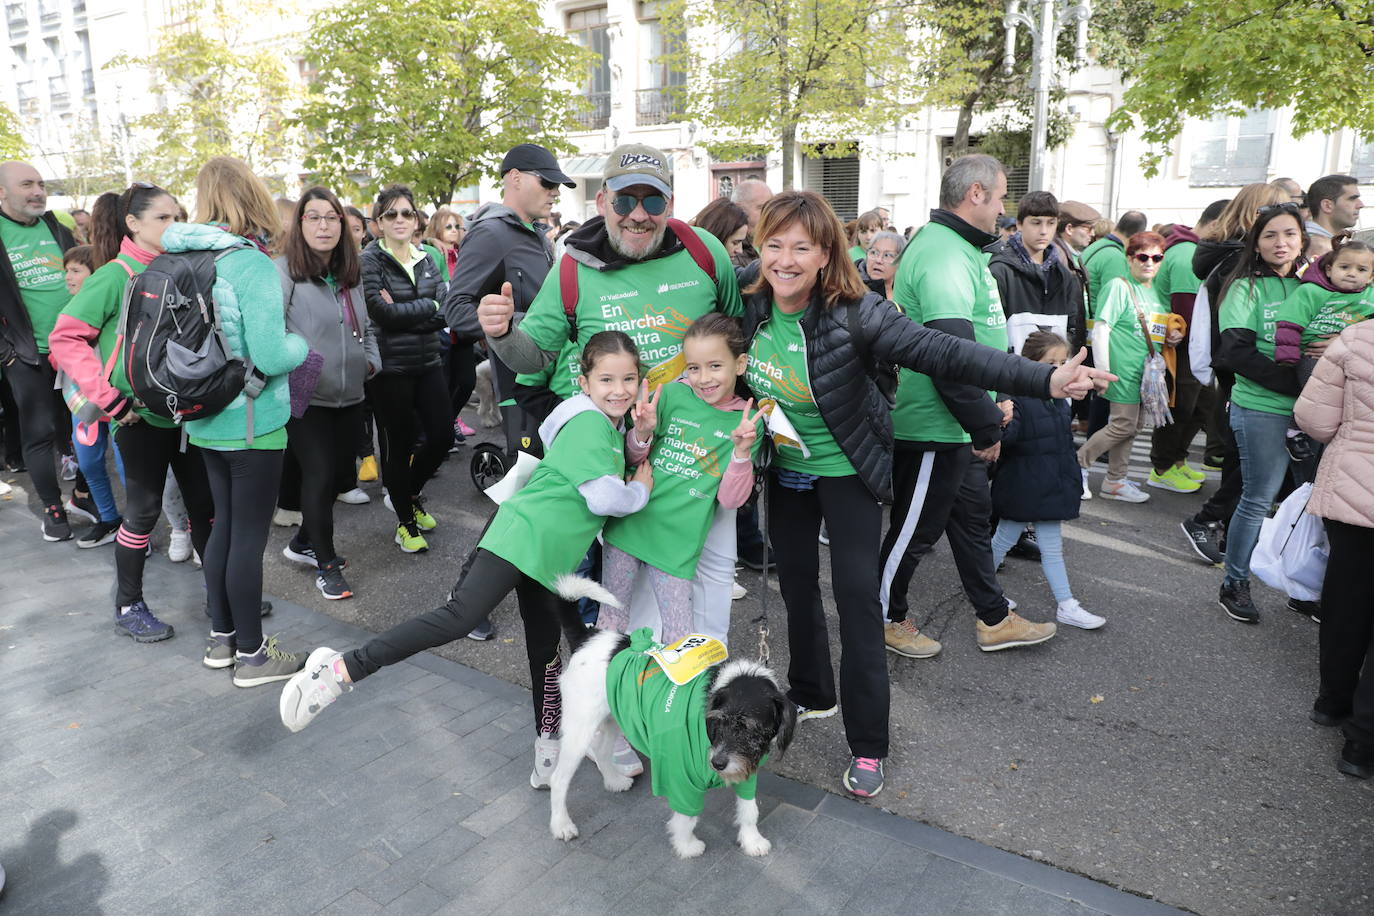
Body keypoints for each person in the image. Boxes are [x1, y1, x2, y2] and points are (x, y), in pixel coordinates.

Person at [739, 188, 1113, 797]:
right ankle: (811, 694)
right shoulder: (751, 302)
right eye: (774, 245)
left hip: (847, 473)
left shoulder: (859, 312)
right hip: (785, 471)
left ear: (826, 252)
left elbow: (947, 351)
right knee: (797, 591)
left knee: (858, 602)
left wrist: (1044, 378)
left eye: (801, 248)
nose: (785, 259)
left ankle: (869, 745)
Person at [279, 331, 654, 791]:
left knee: (544, 653)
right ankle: (342, 668)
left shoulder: (600, 425)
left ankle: (548, 752)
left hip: (546, 556)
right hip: (522, 539)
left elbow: (610, 463)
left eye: (629, 379)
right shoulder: (592, 425)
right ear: (584, 382)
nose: (619, 389)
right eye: (607, 379)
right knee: (461, 617)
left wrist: (639, 436)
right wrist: (641, 490)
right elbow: (604, 496)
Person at [479, 143, 744, 640]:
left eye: (653, 201)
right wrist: (500, 335)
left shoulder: (706, 254)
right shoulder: (574, 267)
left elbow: (734, 341)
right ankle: (618, 693)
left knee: (699, 585)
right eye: (625, 201)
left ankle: (687, 693)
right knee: (621, 591)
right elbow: (533, 356)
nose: (638, 216)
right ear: (603, 202)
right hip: (616, 458)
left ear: (670, 203)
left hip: (694, 457)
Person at [879, 155, 1059, 667]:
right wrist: (984, 422)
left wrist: (990, 407)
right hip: (935, 423)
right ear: (976, 193)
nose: (1004, 210)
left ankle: (994, 617)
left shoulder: (959, 248)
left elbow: (973, 343)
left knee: (970, 523)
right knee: (914, 532)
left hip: (956, 423)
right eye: (1001, 197)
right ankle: (882, 619)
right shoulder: (942, 252)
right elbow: (948, 356)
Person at [49, 184, 214, 643]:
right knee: (141, 516)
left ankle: (219, 595)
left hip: (186, 416)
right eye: (162, 218)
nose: (173, 226)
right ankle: (128, 606)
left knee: (206, 508)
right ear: (133, 224)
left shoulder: (182, 269)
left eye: (177, 216)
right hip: (137, 418)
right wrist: (109, 399)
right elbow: (65, 338)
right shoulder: (114, 275)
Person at [182, 157, 310, 684]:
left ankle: (222, 640)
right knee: (247, 540)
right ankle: (253, 657)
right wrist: (301, 343)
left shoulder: (177, 258)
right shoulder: (249, 264)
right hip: (252, 421)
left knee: (222, 531)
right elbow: (274, 355)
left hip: (202, 415)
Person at [600, 313, 761, 641]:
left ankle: (673, 694)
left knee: (679, 637)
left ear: (740, 364)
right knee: (611, 623)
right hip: (629, 525)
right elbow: (632, 460)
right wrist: (641, 433)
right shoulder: (670, 396)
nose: (703, 378)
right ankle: (607, 690)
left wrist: (743, 452)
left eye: (715, 366)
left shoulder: (745, 422)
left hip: (677, 546)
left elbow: (730, 499)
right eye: (694, 367)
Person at [1179, 185, 1291, 565]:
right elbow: (1230, 334)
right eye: (1276, 211)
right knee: (1251, 460)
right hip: (1242, 371)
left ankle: (1223, 528)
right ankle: (1211, 522)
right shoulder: (1236, 264)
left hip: (1242, 370)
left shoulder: (1239, 258)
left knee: (1250, 459)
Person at [277, 187, 379, 600]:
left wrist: (370, 362)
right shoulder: (283, 271)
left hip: (351, 395)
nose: (324, 225)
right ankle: (326, 563)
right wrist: (304, 364)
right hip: (305, 396)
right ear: (300, 225)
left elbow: (366, 329)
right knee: (318, 477)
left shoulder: (350, 274)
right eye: (313, 217)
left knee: (337, 476)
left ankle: (303, 543)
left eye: (331, 217)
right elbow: (272, 333)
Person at [1213, 202, 1306, 624]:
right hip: (1262, 409)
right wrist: (1299, 385)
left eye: (1289, 234)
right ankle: (1234, 582)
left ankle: (1306, 587)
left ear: (1302, 239)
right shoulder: (1244, 287)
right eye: (1270, 235)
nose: (1280, 242)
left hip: (1316, 413)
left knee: (1311, 504)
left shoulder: (1316, 286)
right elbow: (1235, 352)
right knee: (1257, 499)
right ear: (1256, 242)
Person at [1293, 319, 1374, 778]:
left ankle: (1332, 701)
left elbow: (1315, 420)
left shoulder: (1358, 337)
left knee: (1346, 601)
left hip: (1353, 491)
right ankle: (1363, 744)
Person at [990, 331, 1104, 629]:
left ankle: (985, 591)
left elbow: (1062, 444)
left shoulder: (1062, 399)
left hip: (1042, 483)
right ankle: (1065, 605)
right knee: (1013, 539)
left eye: (1062, 361)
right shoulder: (1018, 398)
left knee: (1011, 539)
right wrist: (1002, 419)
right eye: (1049, 362)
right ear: (1029, 364)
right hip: (1026, 483)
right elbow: (1007, 440)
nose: (1057, 368)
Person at [361, 184, 452, 553]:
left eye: (407, 213)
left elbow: (446, 310)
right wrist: (428, 307)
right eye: (391, 214)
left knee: (443, 437)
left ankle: (409, 493)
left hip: (429, 362)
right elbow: (380, 313)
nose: (400, 220)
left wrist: (413, 310)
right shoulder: (369, 259)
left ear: (416, 219)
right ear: (378, 222)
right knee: (397, 446)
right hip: (391, 370)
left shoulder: (427, 257)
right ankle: (404, 521)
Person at [0, 160, 80, 541]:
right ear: (2, 192)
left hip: (75, 349)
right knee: (40, 433)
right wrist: (7, 353)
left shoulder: (54, 226)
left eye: (41, 184)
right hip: (27, 354)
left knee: (85, 428)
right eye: (26, 184)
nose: (37, 191)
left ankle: (84, 495)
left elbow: (84, 270)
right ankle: (53, 508)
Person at [1077, 231, 1175, 502]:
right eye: (1143, 257)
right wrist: (1103, 372)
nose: (1149, 263)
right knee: (1122, 425)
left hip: (1145, 375)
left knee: (1132, 427)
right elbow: (1101, 329)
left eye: (1156, 257)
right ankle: (1078, 465)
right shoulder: (1119, 286)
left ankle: (1115, 481)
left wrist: (1171, 335)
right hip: (1121, 371)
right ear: (1130, 258)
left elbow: (1153, 330)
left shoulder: (1154, 291)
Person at [1147, 199, 1228, 495]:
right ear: (1218, 224)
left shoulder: (1191, 249)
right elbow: (1187, 310)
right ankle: (1162, 468)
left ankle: (1176, 460)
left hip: (1196, 347)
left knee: (1200, 407)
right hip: (1183, 347)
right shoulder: (1185, 254)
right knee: (1180, 407)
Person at [59, 244, 124, 549]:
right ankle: (108, 519)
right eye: (66, 271)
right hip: (83, 405)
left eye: (75, 271)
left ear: (95, 276)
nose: (67, 278)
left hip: (118, 402)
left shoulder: (110, 314)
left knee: (127, 468)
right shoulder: (69, 310)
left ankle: (139, 531)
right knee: (89, 463)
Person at [987, 190, 1082, 355]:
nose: (1044, 231)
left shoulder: (1064, 276)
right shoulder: (999, 271)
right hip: (1009, 373)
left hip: (1054, 374)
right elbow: (991, 333)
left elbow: (1071, 330)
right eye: (1036, 223)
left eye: (1051, 223)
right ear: (1019, 224)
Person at [1275, 241, 1374, 387]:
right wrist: (1287, 354)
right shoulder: (1311, 291)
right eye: (1344, 267)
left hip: (1355, 356)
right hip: (1313, 355)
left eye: (1361, 270)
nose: (1352, 273)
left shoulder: (1370, 297)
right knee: (1318, 394)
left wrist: (1349, 343)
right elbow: (1289, 323)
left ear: (1371, 277)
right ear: (1329, 269)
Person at [1080, 210, 1148, 319]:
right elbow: (1114, 301)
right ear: (1137, 235)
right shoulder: (1116, 257)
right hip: (1097, 321)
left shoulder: (1096, 246)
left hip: (1085, 317)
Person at [1304, 174, 1362, 260]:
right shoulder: (1317, 246)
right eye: (1352, 199)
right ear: (1327, 206)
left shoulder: (1338, 240)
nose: (1361, 205)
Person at [729, 178, 774, 264]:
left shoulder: (775, 239)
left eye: (771, 207)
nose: (769, 213)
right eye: (762, 207)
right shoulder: (730, 247)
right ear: (739, 208)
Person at [860, 231, 905, 300]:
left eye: (887, 255)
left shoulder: (905, 289)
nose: (878, 260)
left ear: (900, 261)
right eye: (874, 252)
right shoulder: (854, 288)